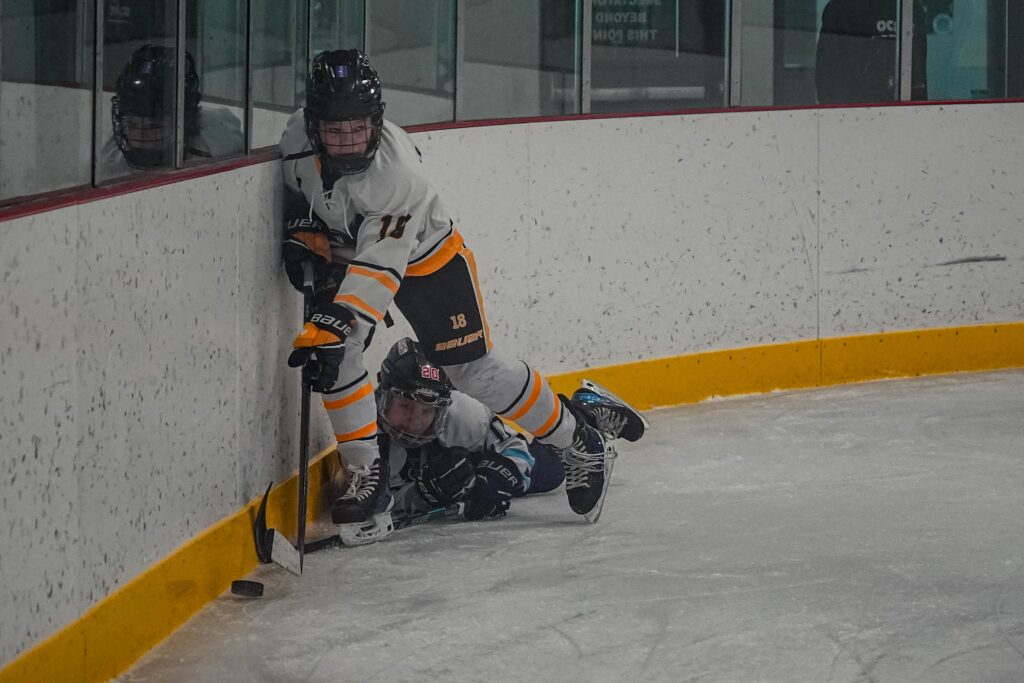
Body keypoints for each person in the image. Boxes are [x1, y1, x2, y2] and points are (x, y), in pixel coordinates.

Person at [279, 49, 646, 544]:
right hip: (355, 251)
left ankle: (577, 441)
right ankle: (367, 480)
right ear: (314, 124)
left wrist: (343, 313)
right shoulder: (295, 138)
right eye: (335, 132)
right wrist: (304, 230)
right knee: (336, 350)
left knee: (470, 370)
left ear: (378, 120)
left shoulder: (398, 175)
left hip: (428, 258)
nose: (348, 143)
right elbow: (302, 193)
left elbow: (381, 266)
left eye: (359, 129)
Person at [337, 337, 564, 544]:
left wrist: (496, 480)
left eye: (426, 411)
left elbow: (514, 447)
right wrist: (422, 494)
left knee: (552, 472)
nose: (414, 421)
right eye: (405, 406)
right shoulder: (365, 434)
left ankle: (583, 413)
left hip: (471, 465)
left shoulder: (464, 414)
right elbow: (377, 501)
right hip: (430, 480)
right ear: (384, 394)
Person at [102, 44, 244, 176]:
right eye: (132, 124)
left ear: (184, 122)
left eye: (154, 125)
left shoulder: (218, 139)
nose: (140, 136)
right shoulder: (111, 157)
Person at [815, 0, 928, 104]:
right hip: (854, 116)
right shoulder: (839, 9)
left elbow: (919, 79)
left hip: (902, 117)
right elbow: (826, 77)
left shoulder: (910, 8)